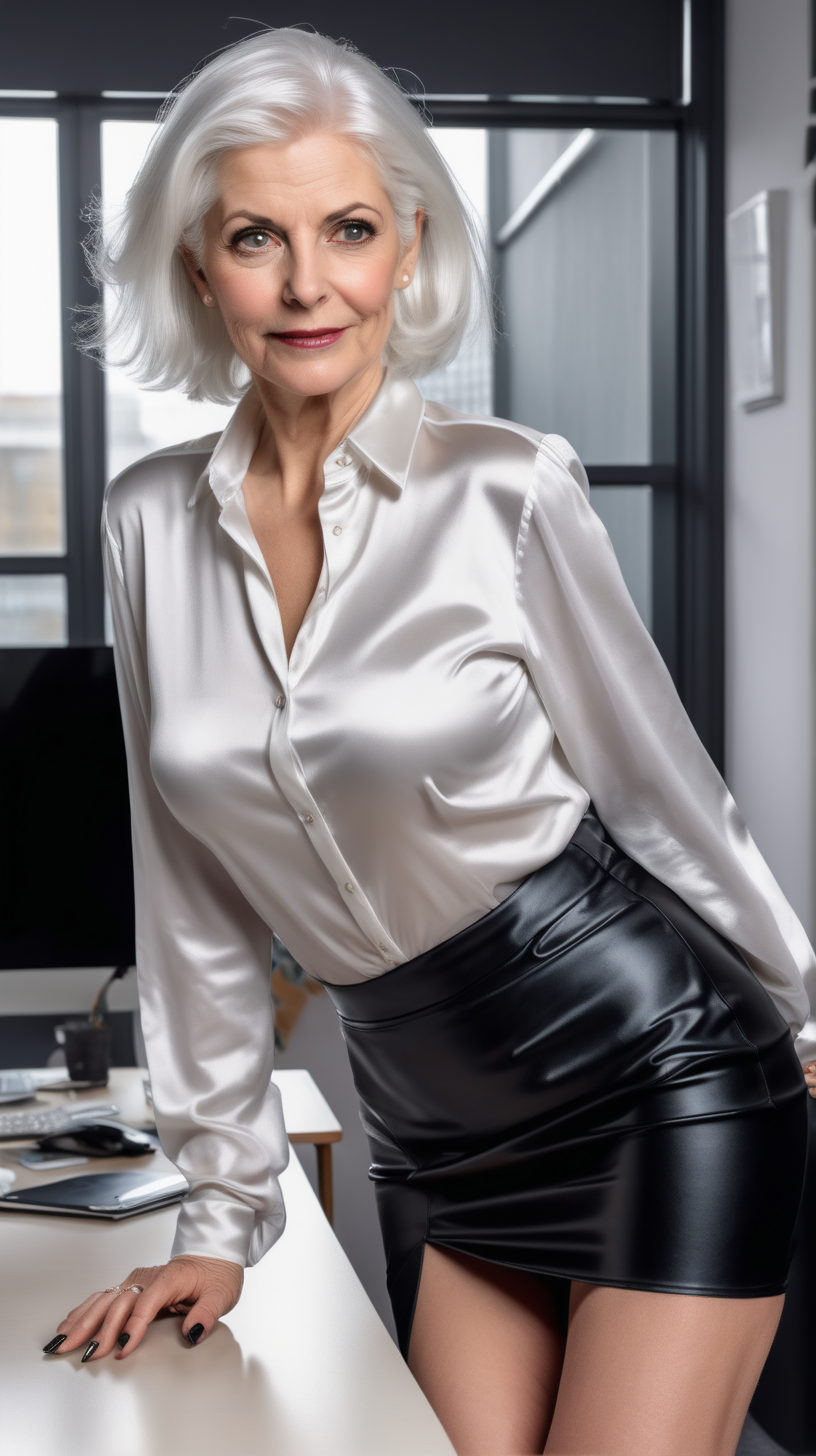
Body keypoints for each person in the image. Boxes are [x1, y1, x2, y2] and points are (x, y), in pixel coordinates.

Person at [44, 28, 816, 1456]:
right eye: (255, 238)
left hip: (658, 1069)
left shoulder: (508, 489)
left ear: (407, 246)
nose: (306, 283)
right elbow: (192, 884)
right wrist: (223, 1215)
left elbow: (660, 790)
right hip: (433, 1127)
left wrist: (803, 1005)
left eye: (347, 230)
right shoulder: (146, 519)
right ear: (200, 269)